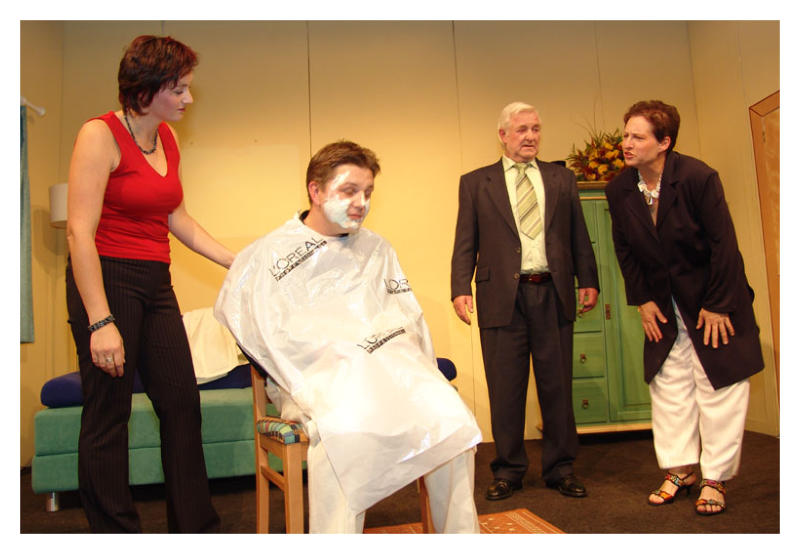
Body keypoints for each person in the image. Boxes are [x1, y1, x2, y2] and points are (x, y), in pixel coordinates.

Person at [215, 141, 482, 533]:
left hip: (384, 373)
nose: (361, 202)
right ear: (316, 190)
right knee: (345, 429)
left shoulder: (377, 249)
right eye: (349, 191)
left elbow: (406, 321)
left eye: (368, 192)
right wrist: (332, 357)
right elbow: (257, 332)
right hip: (313, 379)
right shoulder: (272, 255)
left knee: (451, 420)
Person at [65, 35, 234, 532]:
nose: (188, 98)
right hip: (106, 277)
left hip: (156, 280)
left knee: (181, 402)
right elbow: (78, 231)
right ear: (146, 89)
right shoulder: (99, 135)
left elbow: (176, 217)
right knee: (109, 412)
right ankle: (116, 533)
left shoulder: (168, 139)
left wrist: (233, 260)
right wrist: (100, 321)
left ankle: (194, 529)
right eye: (179, 89)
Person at [605, 100, 764, 516]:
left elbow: (724, 244)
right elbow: (624, 250)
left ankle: (715, 478)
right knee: (668, 384)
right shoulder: (619, 189)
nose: (626, 143)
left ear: (664, 142)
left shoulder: (697, 177)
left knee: (719, 387)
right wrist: (642, 300)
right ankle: (680, 470)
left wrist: (718, 305)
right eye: (626, 135)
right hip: (662, 304)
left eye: (638, 137)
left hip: (713, 299)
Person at [450, 102, 599, 501]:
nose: (530, 136)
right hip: (501, 297)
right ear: (503, 135)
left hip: (553, 292)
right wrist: (460, 287)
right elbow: (466, 239)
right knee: (506, 389)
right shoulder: (475, 183)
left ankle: (560, 468)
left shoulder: (561, 178)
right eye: (521, 130)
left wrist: (589, 279)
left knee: (557, 387)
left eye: (535, 129)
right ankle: (509, 470)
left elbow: (578, 234)